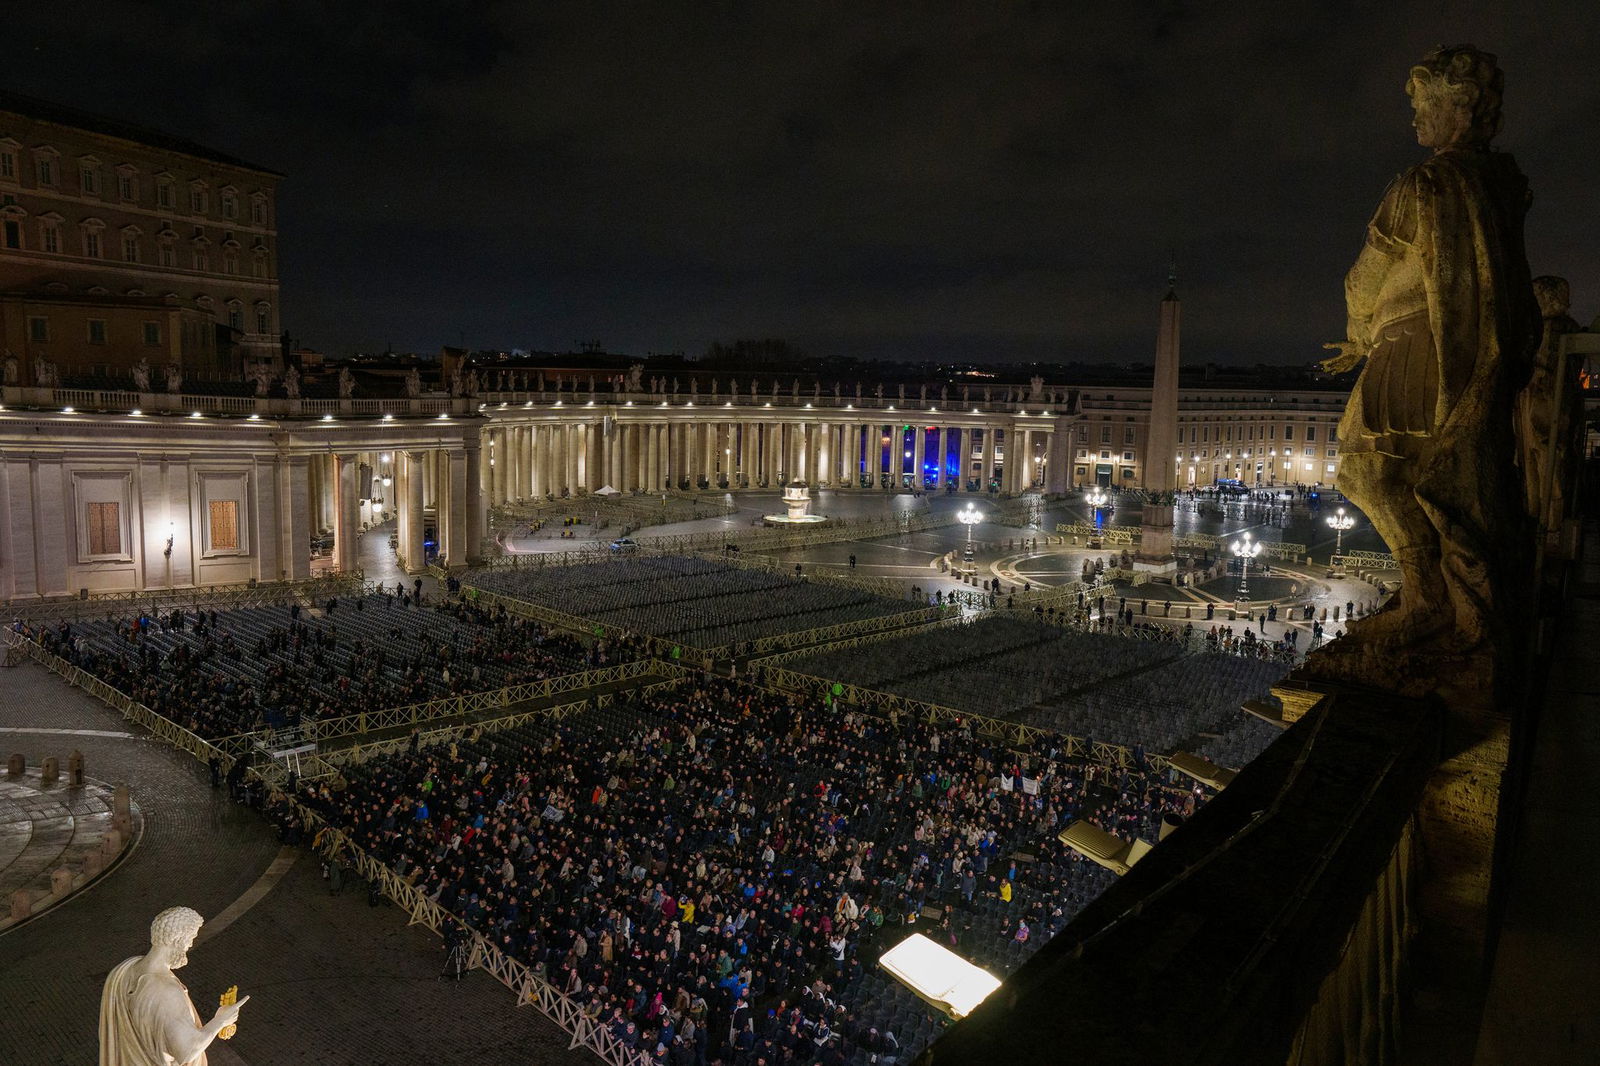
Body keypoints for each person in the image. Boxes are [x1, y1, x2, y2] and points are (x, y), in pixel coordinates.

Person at [1319, 45, 1537, 663]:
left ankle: (1427, 597)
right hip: (1462, 352)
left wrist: (1360, 332)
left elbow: (1364, 278)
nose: (1415, 120)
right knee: (1426, 475)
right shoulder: (1500, 186)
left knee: (1366, 470)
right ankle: (1453, 597)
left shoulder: (1424, 183)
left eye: (1423, 105)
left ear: (1458, 109)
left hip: (1411, 344)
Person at [99, 907, 247, 1066]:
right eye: (191, 938)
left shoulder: (125, 970)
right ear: (177, 939)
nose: (189, 945)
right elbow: (187, 1051)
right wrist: (221, 1021)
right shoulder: (167, 993)